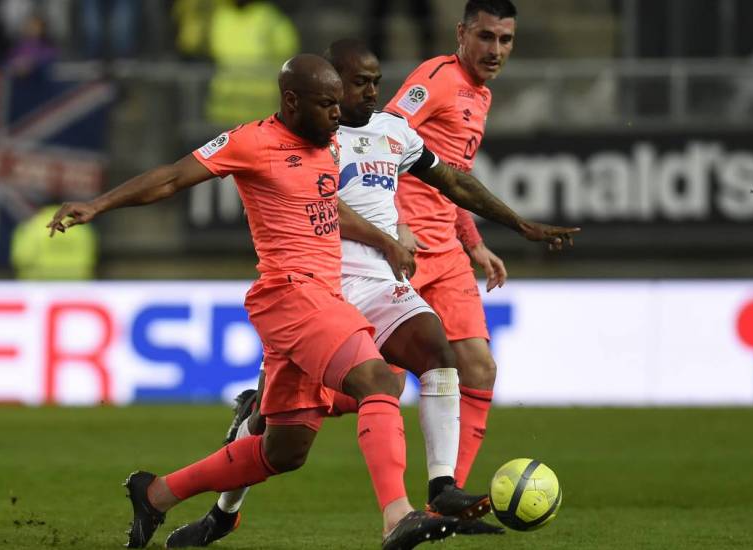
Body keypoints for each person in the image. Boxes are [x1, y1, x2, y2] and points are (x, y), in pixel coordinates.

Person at [172, 38, 579, 545]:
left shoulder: (394, 132)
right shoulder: (310, 137)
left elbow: (453, 182)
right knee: (274, 432)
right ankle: (223, 513)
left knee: (436, 351)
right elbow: (320, 204)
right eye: (359, 82)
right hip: (321, 290)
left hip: (382, 285)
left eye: (375, 82)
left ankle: (442, 485)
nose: (372, 92)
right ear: (331, 85)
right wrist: (386, 236)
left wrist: (518, 225)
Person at [46, 54, 458, 550]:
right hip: (291, 294)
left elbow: (326, 208)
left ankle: (154, 494)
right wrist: (98, 204)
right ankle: (398, 516)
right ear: (291, 100)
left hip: (319, 298)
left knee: (285, 449)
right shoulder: (251, 142)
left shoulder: (324, 145)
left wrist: (384, 239)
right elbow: (173, 177)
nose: (336, 114)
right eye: (326, 104)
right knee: (378, 381)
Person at [383, 0, 523, 492]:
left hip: (446, 250)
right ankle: (267, 407)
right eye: (486, 37)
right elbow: (381, 139)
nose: (495, 50)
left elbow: (451, 178)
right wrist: (394, 223)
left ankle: (449, 499)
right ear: (461, 33)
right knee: (373, 382)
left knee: (479, 367)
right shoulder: (437, 79)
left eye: (505, 40)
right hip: (406, 248)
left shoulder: (479, 96)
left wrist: (474, 243)